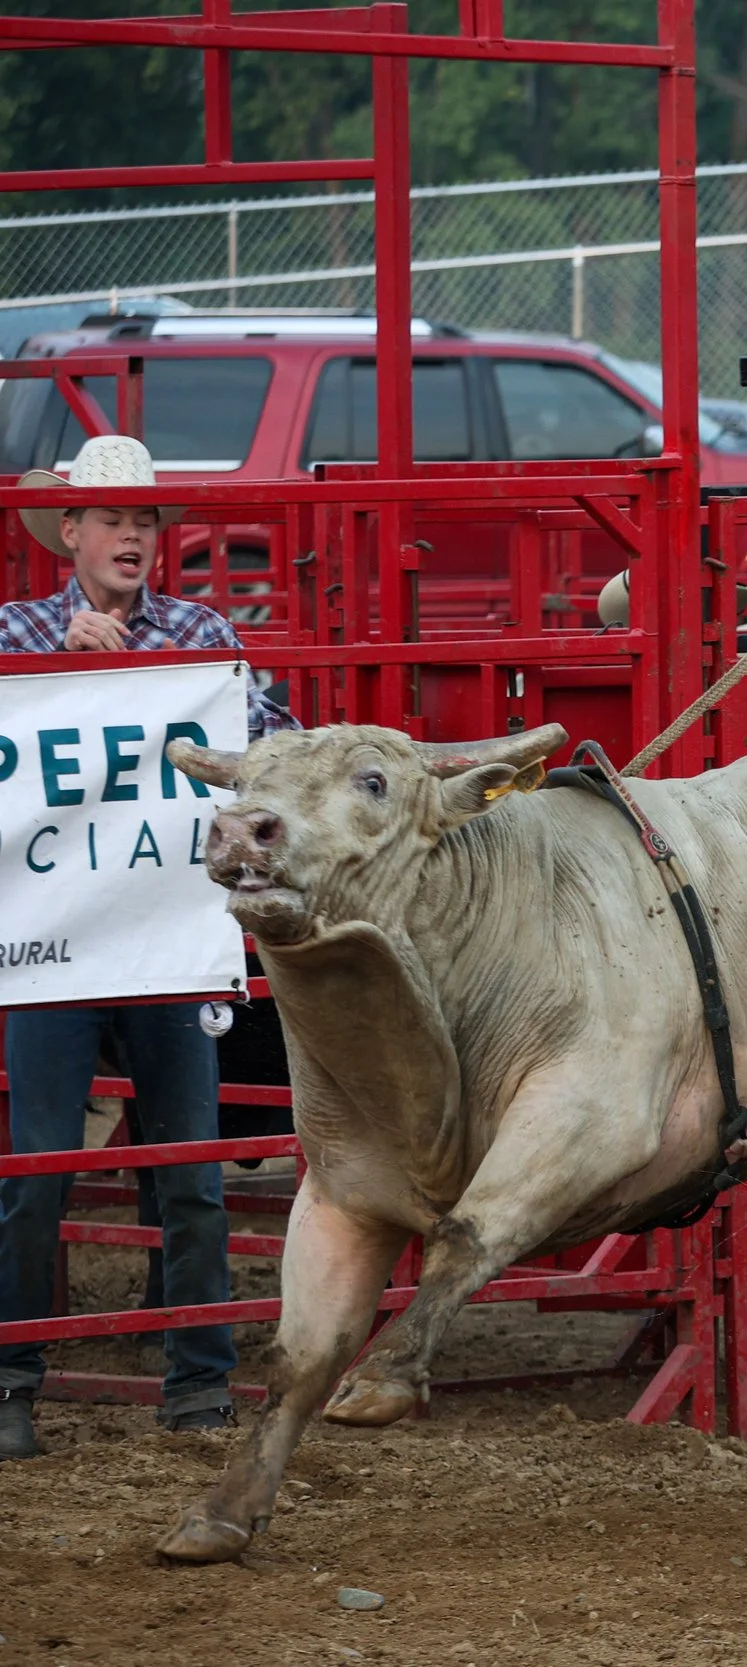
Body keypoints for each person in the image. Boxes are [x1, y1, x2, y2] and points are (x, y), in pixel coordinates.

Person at [0, 434, 297, 1460]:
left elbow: (266, 741)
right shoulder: (16, 633)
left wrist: (136, 674)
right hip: (61, 938)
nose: (134, 534)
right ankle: (12, 1378)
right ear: (69, 531)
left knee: (193, 1173)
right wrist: (64, 672)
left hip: (167, 933)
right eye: (114, 518)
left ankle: (200, 1383)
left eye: (148, 519)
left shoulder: (201, 631)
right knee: (37, 1167)